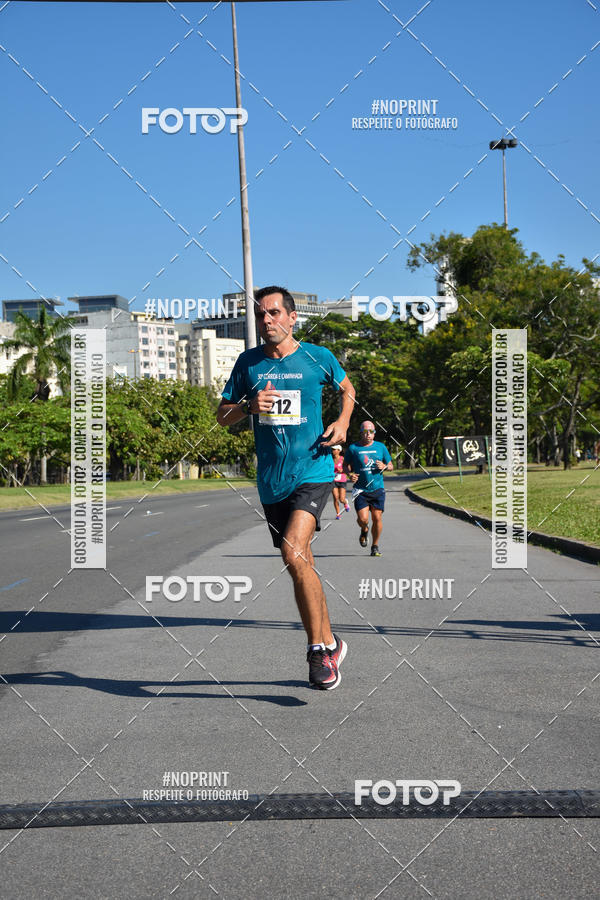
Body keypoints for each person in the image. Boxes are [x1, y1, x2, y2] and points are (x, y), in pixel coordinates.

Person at [217, 286, 356, 690]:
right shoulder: (248, 363)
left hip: (313, 470)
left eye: (274, 313)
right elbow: (222, 415)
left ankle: (317, 652)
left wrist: (343, 423)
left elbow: (347, 390)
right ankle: (331, 641)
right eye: (261, 315)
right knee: (301, 562)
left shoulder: (318, 357)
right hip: (271, 482)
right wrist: (246, 407)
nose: (267, 321)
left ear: (293, 317)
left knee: (293, 551)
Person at [344, 421, 393, 557]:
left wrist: (384, 466)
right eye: (365, 431)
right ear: (361, 432)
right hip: (361, 490)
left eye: (371, 431)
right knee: (363, 519)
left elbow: (390, 466)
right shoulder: (354, 448)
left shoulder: (381, 447)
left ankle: (375, 546)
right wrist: (350, 474)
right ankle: (364, 529)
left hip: (377, 489)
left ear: (374, 433)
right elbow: (345, 465)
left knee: (377, 517)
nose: (368, 434)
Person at [331, 445, 350, 519]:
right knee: (335, 497)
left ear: (339, 450)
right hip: (333, 480)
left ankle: (345, 503)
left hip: (342, 480)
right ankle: (338, 514)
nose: (333, 451)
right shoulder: (330, 459)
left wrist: (342, 470)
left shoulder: (343, 459)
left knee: (341, 499)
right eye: (332, 449)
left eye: (334, 449)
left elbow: (348, 469)